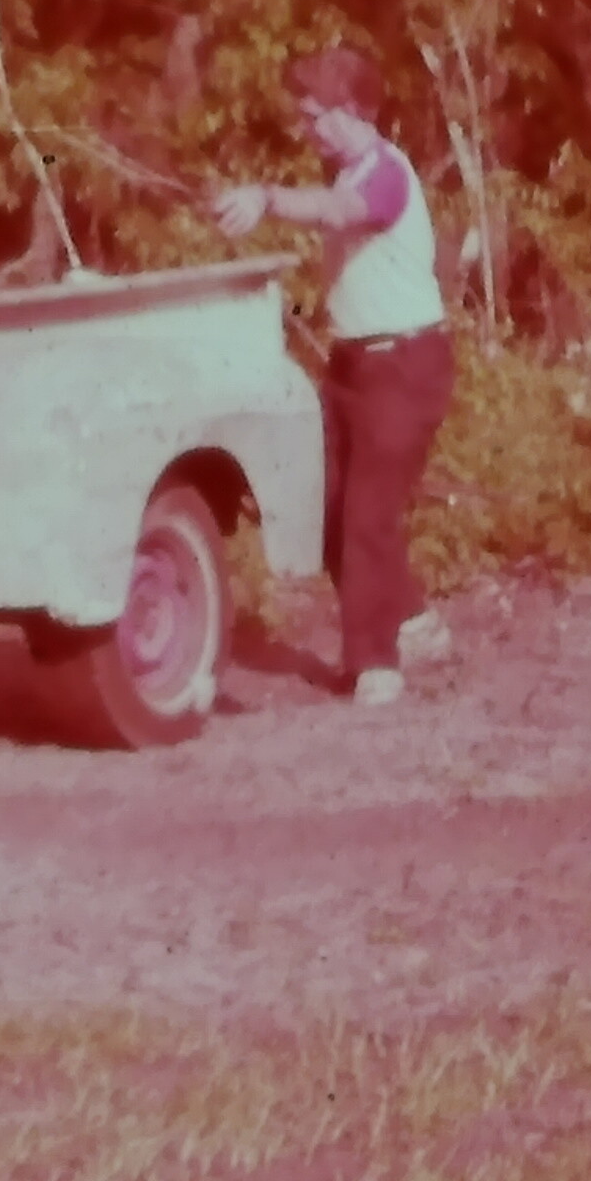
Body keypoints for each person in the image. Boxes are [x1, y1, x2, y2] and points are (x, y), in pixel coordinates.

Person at [211, 46, 453, 704]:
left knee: (368, 515)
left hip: (405, 364)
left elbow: (338, 212)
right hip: (354, 365)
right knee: (327, 507)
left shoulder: (386, 173)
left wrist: (266, 198)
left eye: (314, 116)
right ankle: (412, 621)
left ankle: (374, 663)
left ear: (350, 110)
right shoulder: (347, 171)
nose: (306, 129)